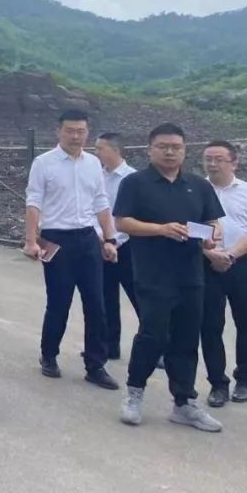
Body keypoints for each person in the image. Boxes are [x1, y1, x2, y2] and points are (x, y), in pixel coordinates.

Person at [115, 123, 225, 432]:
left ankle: (184, 402)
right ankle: (134, 393)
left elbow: (213, 221)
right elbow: (122, 222)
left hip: (191, 274)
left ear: (184, 151)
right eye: (163, 146)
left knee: (187, 338)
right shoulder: (135, 183)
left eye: (176, 147)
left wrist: (212, 236)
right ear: (150, 149)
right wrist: (161, 229)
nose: (170, 152)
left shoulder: (198, 185)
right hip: (153, 274)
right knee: (153, 335)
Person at [23, 110, 120, 390]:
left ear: (87, 133)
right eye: (70, 130)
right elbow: (34, 202)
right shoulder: (44, 163)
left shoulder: (93, 163)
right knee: (59, 301)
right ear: (59, 131)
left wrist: (110, 239)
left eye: (80, 131)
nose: (75, 136)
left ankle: (95, 364)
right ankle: (49, 355)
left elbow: (101, 202)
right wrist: (31, 240)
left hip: (88, 238)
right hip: (55, 239)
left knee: (96, 303)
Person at [200, 140, 247, 407]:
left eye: (218, 159)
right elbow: (191, 229)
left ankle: (245, 379)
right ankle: (218, 383)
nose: (212, 164)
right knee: (210, 325)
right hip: (207, 264)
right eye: (208, 159)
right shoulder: (196, 189)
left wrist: (230, 254)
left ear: (234, 163)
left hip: (243, 264)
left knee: (246, 323)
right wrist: (211, 254)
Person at [94, 132, 138, 360]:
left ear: (115, 150)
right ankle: (109, 345)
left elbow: (134, 215)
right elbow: (92, 209)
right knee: (106, 298)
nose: (96, 153)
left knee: (139, 297)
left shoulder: (133, 178)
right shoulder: (96, 176)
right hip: (101, 244)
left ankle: (157, 347)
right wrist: (103, 239)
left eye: (100, 148)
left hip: (128, 245)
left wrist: (115, 239)